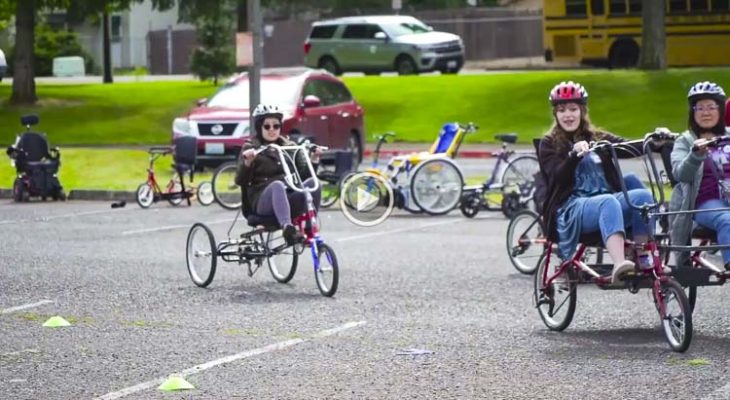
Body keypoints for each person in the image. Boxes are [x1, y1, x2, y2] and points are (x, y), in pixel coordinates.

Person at [539, 81, 656, 283]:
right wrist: (573, 155)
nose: (568, 115)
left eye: (573, 109)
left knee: (643, 197)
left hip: (603, 202)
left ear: (582, 111)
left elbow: (626, 146)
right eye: (562, 110)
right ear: (555, 115)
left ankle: (643, 256)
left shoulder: (596, 137)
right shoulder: (548, 143)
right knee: (607, 201)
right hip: (571, 208)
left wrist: (653, 141)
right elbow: (557, 177)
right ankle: (620, 264)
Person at [235, 104, 322, 245]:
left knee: (313, 183)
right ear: (259, 127)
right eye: (267, 126)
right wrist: (248, 163)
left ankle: (309, 227)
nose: (272, 130)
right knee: (277, 185)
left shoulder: (289, 146)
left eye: (276, 126)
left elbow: (303, 177)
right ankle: (288, 229)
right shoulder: (250, 148)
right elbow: (240, 180)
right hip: (262, 202)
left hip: (288, 196)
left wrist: (314, 159)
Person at [669, 81, 729, 269]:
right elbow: (681, 174)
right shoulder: (685, 141)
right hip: (703, 203)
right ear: (692, 112)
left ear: (720, 110)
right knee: (727, 219)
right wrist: (695, 155)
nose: (706, 112)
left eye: (711, 107)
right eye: (700, 108)